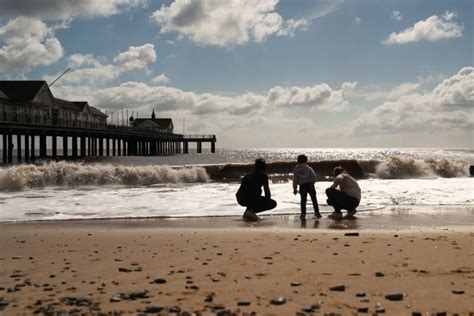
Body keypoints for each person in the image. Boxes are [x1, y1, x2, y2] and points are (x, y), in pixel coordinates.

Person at [293, 154, 321, 219]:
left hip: (302, 186)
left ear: (298, 161)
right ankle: (317, 213)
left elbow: (295, 180)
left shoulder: (296, 170)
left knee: (303, 200)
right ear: (306, 161)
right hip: (310, 185)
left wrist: (295, 188)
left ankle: (303, 214)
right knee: (314, 200)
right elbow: (314, 176)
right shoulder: (309, 168)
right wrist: (312, 184)